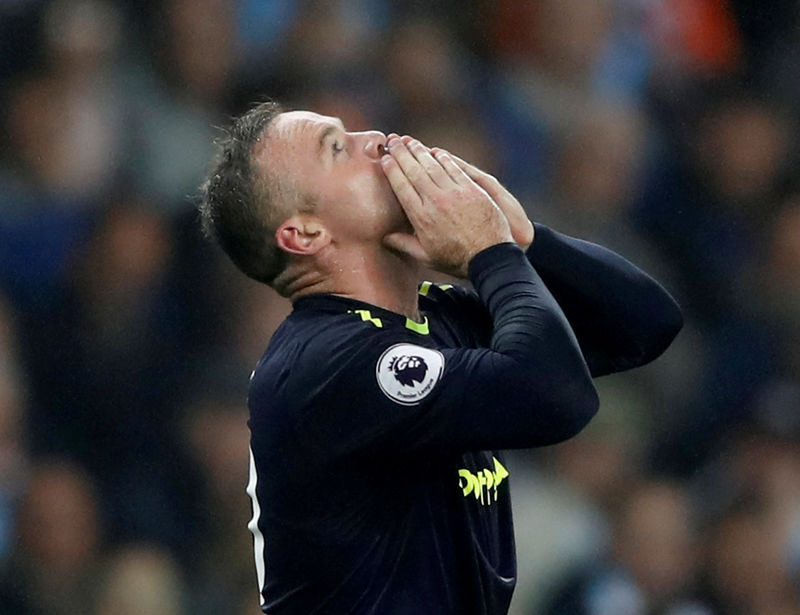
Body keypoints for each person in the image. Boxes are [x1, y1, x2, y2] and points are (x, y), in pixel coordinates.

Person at [198, 101, 682, 615]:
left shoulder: (437, 318)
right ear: (305, 234)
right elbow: (556, 396)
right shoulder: (321, 362)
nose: (376, 138)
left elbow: (644, 325)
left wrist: (526, 241)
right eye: (338, 148)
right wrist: (492, 255)